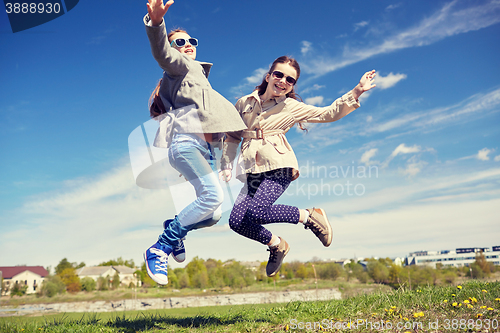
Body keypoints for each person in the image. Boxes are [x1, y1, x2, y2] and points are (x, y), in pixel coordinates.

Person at [220, 56, 376, 277]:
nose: (283, 81)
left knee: (256, 211)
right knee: (237, 221)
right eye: (279, 75)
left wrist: (356, 92)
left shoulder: (291, 106)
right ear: (268, 76)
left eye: (290, 80)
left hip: (278, 164)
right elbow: (233, 136)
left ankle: (309, 216)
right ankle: (277, 245)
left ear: (292, 85)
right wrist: (226, 163)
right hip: (251, 168)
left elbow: (327, 113)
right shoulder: (244, 103)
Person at [143, 0, 246, 285]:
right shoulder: (179, 68)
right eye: (180, 42)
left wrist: (224, 161)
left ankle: (173, 226)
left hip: (204, 150)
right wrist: (156, 24)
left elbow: (217, 128)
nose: (187, 45)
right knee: (214, 197)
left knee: (212, 214)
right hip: (186, 143)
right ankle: (160, 247)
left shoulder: (197, 78)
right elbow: (162, 54)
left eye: (191, 41)